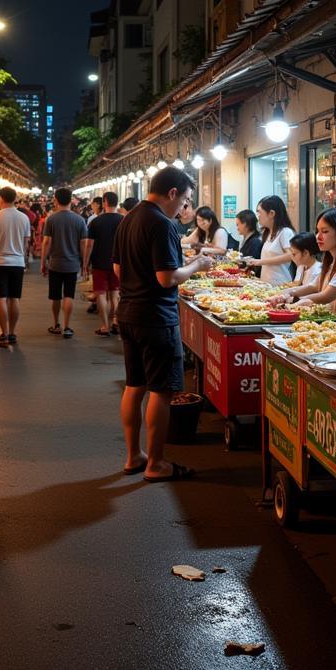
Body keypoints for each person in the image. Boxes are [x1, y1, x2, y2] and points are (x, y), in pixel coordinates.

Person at [113, 166, 212, 481]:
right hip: (156, 317)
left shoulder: (128, 219)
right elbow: (167, 277)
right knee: (161, 391)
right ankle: (156, 463)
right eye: (185, 200)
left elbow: (118, 268)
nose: (184, 207)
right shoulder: (162, 223)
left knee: (135, 386)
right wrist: (197, 264)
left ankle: (134, 456)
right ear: (172, 193)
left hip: (128, 311)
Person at [273, 207, 336, 320]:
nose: (318, 237)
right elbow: (315, 286)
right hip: (335, 325)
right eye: (317, 231)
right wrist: (285, 293)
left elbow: (326, 296)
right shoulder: (332, 259)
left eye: (325, 231)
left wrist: (293, 303)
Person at [0, 186, 33, 347]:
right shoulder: (24, 218)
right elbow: (26, 243)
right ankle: (12, 333)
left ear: (0, 199)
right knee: (14, 298)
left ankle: (3, 333)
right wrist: (23, 259)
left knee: (1, 298)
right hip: (17, 262)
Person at [41, 186, 90, 339]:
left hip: (55, 264)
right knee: (68, 295)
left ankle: (56, 324)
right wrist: (84, 264)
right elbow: (84, 244)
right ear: (71, 201)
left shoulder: (51, 219)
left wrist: (43, 261)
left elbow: (46, 242)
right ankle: (67, 327)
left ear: (55, 200)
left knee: (55, 297)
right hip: (72, 264)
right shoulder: (80, 220)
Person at [85, 191, 123, 337]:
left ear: (105, 202)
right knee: (115, 294)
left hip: (99, 262)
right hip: (118, 263)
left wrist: (85, 262)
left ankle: (104, 326)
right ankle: (116, 321)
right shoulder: (123, 220)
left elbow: (89, 245)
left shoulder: (96, 221)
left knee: (100, 294)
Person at [242, 195, 294, 285]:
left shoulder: (285, 232)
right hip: (267, 283)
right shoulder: (268, 232)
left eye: (259, 212)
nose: (258, 216)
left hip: (280, 284)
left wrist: (261, 262)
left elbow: (291, 255)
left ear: (271, 214)